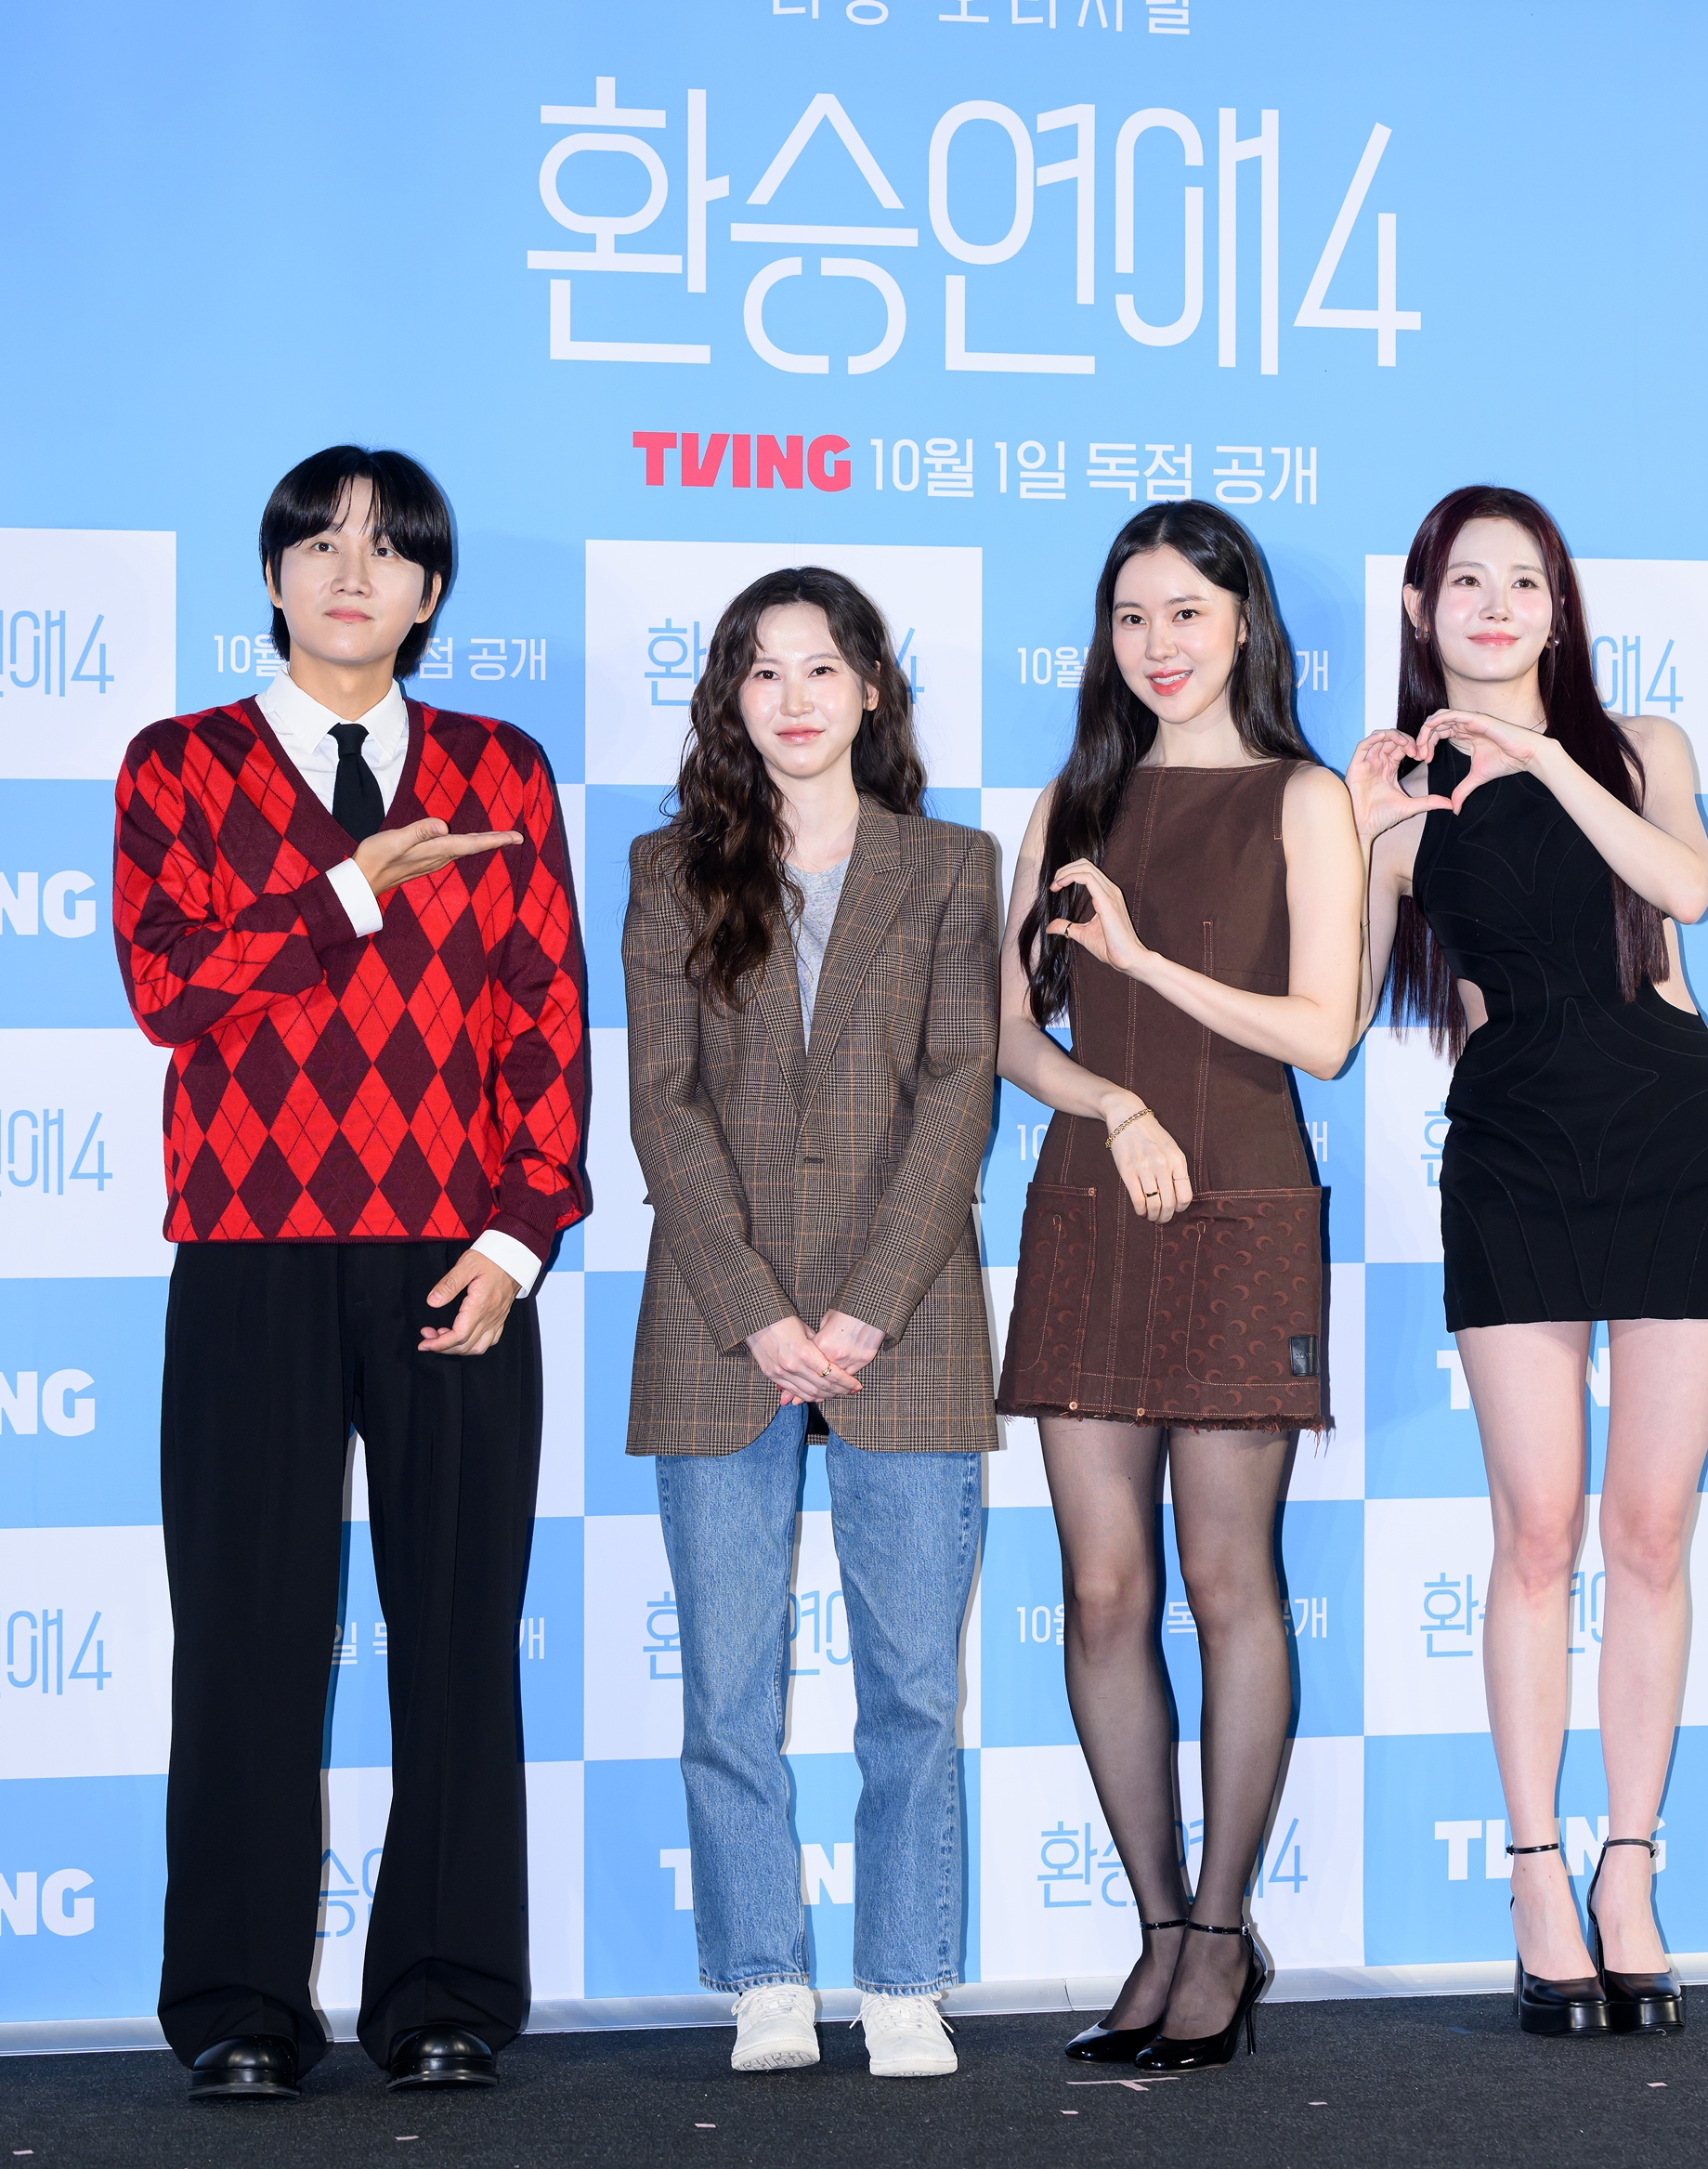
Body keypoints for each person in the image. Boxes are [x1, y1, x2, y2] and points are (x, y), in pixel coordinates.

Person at [112, 447, 589, 2102]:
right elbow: (166, 989)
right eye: (318, 544)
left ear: (431, 593)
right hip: (246, 1253)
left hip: (458, 1259)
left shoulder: (497, 770)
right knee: (244, 1634)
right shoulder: (179, 764)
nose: (349, 574)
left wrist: (519, 1238)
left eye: (387, 553)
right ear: (272, 575)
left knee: (457, 1635)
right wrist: (346, 891)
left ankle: (447, 1995)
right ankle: (235, 2006)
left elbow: (544, 1016)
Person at [1347, 485, 1708, 2037]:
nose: (1498, 606)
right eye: (1468, 582)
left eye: (1527, 582)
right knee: (1537, 1532)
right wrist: (1370, 831)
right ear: (1420, 608)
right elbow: (1356, 1005)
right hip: (1514, 1156)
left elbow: (1686, 890)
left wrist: (1541, 760)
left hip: (1676, 1140)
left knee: (1650, 1533)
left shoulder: (1640, 746)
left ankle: (1627, 1871)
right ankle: (1534, 1874)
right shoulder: (1397, 795)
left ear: (1561, 609)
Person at [996, 502, 1362, 2071]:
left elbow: (1325, 1034)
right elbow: (1008, 1031)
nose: (1159, 644)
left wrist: (1141, 965)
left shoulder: (1305, 797)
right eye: (1132, 615)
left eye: (1188, 614)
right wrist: (1113, 1104)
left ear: (1245, 625)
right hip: (1092, 1199)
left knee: (1227, 1582)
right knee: (1101, 1591)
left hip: (1246, 1202)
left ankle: (1221, 1935)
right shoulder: (1069, 800)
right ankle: (1155, 1928)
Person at [623, 566, 997, 2081]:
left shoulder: (951, 866)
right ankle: (762, 1973)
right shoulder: (670, 868)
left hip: (908, 1316)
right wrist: (761, 1314)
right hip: (719, 1322)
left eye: (822, 668)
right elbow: (661, 1107)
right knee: (728, 1685)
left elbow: (960, 1094)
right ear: (731, 695)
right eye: (763, 670)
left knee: (914, 1687)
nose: (793, 697)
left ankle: (904, 1977)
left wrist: (864, 1306)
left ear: (871, 691)